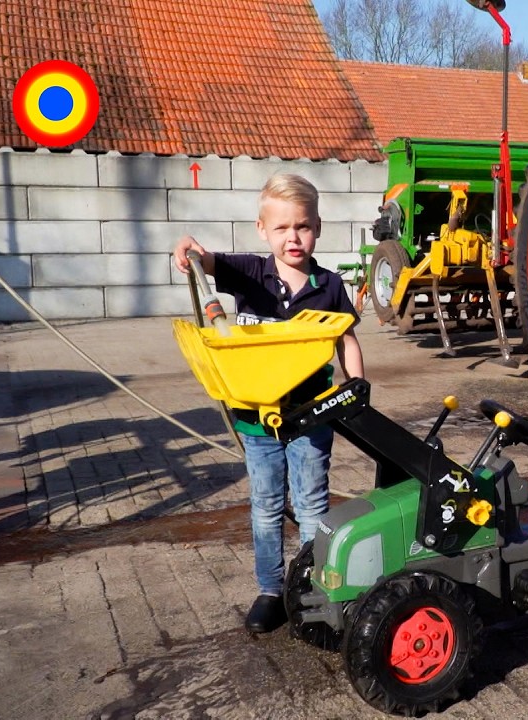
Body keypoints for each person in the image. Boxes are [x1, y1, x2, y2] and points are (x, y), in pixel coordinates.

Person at [172, 173, 365, 633]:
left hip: (312, 417)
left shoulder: (330, 285)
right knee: (265, 505)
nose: (292, 237)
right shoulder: (249, 274)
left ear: (317, 226)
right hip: (256, 420)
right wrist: (187, 247)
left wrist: (357, 387)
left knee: (313, 503)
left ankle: (318, 584)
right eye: (281, 228)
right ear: (263, 230)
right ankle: (271, 589)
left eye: (302, 226)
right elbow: (203, 258)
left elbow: (347, 340)